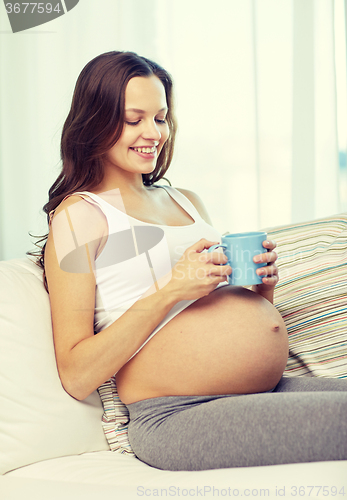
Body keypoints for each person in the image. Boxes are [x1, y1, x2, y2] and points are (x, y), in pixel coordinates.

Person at [36, 51, 346, 471]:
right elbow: (75, 373)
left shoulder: (185, 201)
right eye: (134, 119)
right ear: (95, 121)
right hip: (175, 413)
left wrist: (260, 291)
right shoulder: (78, 217)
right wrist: (170, 289)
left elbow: (219, 318)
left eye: (160, 118)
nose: (154, 132)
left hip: (251, 392)